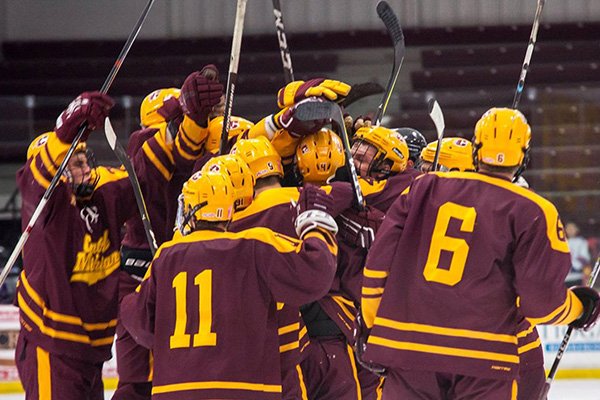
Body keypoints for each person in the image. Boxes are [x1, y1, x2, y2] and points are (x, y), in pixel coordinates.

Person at [358, 108, 600, 399]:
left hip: (410, 350)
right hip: (484, 359)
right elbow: (541, 304)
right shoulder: (533, 210)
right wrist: (580, 308)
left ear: (476, 148)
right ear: (524, 156)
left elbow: (377, 268)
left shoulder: (422, 188)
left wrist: (376, 328)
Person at [120, 168, 340, 400]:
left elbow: (140, 325)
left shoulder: (166, 255)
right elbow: (316, 272)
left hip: (176, 392)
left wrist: (132, 300)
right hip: (245, 390)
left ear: (192, 211)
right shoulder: (254, 245)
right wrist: (317, 226)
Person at [15, 92, 145, 399]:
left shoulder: (100, 197)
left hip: (90, 352)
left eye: (85, 160)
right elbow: (35, 180)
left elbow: (143, 181)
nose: (85, 168)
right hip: (52, 347)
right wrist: (63, 134)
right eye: (74, 163)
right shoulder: (45, 207)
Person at [113, 67, 224, 400]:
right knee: (139, 378)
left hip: (179, 259)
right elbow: (166, 159)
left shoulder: (200, 146)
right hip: (141, 265)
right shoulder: (141, 144)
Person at [565, 221, 592, 286]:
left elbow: (585, 258)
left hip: (577, 275)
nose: (570, 230)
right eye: (568, 228)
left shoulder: (582, 242)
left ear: (577, 229)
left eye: (572, 228)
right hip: (565, 277)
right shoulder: (563, 242)